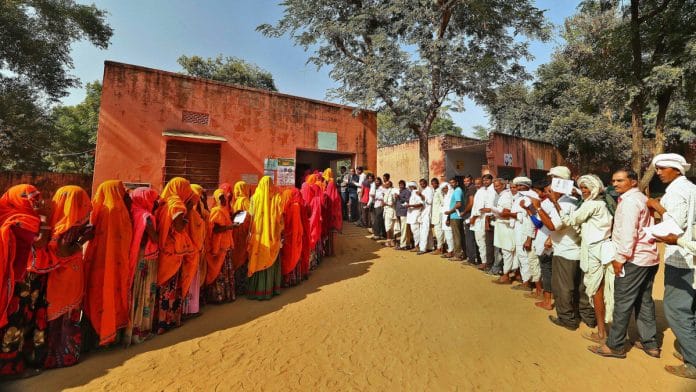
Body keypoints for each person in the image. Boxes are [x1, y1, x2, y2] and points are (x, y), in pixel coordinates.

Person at [588, 169, 659, 360]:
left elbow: (628, 234)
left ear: (633, 182)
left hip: (633, 259)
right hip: (648, 258)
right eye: (613, 181)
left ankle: (615, 345)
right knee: (644, 300)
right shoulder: (640, 198)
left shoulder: (629, 202)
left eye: (620, 180)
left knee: (623, 302)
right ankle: (650, 343)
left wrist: (620, 258)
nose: (615, 184)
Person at [646, 153, 696, 378]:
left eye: (662, 168)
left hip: (681, 257)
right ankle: (690, 351)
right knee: (690, 308)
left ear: (676, 169)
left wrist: (656, 207)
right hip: (689, 255)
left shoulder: (676, 191)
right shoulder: (690, 187)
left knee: (676, 309)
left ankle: (693, 363)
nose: (658, 172)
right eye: (657, 168)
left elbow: (674, 226)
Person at [0, 185, 52, 378]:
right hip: (15, 281)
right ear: (14, 198)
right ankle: (10, 370)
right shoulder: (19, 220)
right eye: (28, 198)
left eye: (36, 197)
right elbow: (40, 242)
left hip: (16, 278)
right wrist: (43, 216)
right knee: (12, 324)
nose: (35, 202)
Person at [537, 168, 596, 331]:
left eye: (552, 179)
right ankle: (587, 317)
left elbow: (553, 226)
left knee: (563, 287)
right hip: (578, 249)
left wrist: (538, 208)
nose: (550, 184)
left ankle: (567, 319)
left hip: (566, 251)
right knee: (580, 287)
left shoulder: (564, 203)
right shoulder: (575, 199)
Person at [44, 185, 94, 368]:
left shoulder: (54, 219)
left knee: (56, 318)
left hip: (56, 275)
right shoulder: (70, 225)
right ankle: (65, 356)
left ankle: (51, 357)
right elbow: (64, 250)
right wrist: (83, 240)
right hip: (67, 278)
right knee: (66, 317)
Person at [560, 175, 613, 342]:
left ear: (595, 188)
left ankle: (602, 333)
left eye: (586, 188)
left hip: (593, 251)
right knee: (603, 289)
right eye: (582, 188)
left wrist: (555, 203)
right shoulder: (604, 203)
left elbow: (570, 220)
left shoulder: (591, 205)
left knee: (596, 290)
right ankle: (605, 329)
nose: (583, 191)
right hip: (603, 250)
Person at [84, 180, 134, 346]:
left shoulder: (98, 206)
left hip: (97, 259)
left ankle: (98, 335)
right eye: (123, 191)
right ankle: (109, 335)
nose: (126, 194)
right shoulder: (117, 210)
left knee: (97, 295)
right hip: (114, 261)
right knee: (112, 294)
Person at [155, 177, 196, 334]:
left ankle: (161, 321)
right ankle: (166, 321)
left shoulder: (164, 202)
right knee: (171, 287)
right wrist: (189, 209)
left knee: (164, 286)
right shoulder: (176, 203)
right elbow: (179, 226)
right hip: (173, 252)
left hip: (165, 249)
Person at [124, 187, 159, 347]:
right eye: (152, 200)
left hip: (134, 256)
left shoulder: (131, 212)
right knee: (143, 292)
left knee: (134, 292)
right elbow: (155, 237)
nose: (155, 203)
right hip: (146, 258)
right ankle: (140, 329)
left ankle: (130, 330)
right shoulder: (147, 217)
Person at [247, 176, 283, 300]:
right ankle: (270, 290)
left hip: (258, 237)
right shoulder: (277, 198)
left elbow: (250, 216)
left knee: (257, 259)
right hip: (272, 236)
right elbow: (280, 219)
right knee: (270, 259)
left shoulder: (254, 198)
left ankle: (256, 290)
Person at [205, 189, 236, 304]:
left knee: (225, 270)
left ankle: (226, 295)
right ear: (216, 199)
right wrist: (229, 227)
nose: (223, 200)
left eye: (224, 198)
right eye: (221, 198)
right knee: (219, 271)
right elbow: (215, 229)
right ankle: (219, 296)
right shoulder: (216, 211)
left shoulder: (224, 210)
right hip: (219, 245)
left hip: (225, 244)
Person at [507, 177, 538, 290]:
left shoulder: (531, 197)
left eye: (521, 186)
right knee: (521, 255)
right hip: (519, 228)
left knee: (525, 256)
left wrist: (529, 237)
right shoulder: (520, 197)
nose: (519, 188)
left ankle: (527, 282)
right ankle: (526, 279)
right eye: (517, 186)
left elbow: (530, 216)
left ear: (527, 186)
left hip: (525, 230)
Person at [183, 184, 206, 317]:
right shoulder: (188, 212)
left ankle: (193, 308)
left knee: (194, 279)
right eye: (200, 194)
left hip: (196, 249)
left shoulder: (196, 210)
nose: (201, 197)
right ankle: (188, 309)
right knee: (189, 279)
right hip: (190, 250)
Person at [488, 179, 516, 283]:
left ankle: (506, 275)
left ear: (503, 185)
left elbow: (506, 212)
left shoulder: (506, 196)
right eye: (494, 186)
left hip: (505, 225)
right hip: (500, 224)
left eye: (498, 186)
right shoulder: (501, 196)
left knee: (507, 250)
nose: (496, 188)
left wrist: (495, 211)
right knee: (504, 250)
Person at [231, 181, 251, 295]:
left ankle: (237, 285)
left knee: (237, 257)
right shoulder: (244, 201)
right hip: (243, 234)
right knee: (243, 258)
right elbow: (250, 216)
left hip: (236, 233)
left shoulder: (236, 201)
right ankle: (242, 287)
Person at [472, 174, 495, 270]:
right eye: (483, 181)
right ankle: (485, 261)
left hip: (482, 219)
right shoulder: (483, 191)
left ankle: (485, 262)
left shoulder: (484, 192)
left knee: (482, 241)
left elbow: (481, 208)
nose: (485, 182)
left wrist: (473, 217)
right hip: (480, 218)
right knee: (482, 242)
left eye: (486, 180)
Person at [444, 177, 465, 261]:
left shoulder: (457, 191)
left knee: (456, 236)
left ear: (456, 183)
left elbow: (458, 204)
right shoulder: (457, 190)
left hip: (456, 216)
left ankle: (458, 255)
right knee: (458, 235)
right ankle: (460, 253)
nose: (451, 184)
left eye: (453, 182)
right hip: (455, 216)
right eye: (450, 183)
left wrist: (449, 212)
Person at [461, 175, 479, 265]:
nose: (466, 183)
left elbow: (471, 203)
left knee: (469, 238)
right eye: (464, 181)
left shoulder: (471, 189)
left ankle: (471, 259)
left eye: (467, 181)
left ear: (471, 180)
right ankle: (474, 258)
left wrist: (464, 212)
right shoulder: (470, 189)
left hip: (469, 215)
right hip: (471, 215)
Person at [416, 178, 435, 255]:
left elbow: (429, 201)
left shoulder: (429, 190)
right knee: (428, 231)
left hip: (427, 213)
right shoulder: (423, 190)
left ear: (426, 183)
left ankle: (422, 249)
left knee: (424, 231)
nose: (421, 185)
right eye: (420, 184)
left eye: (423, 184)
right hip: (423, 213)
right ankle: (430, 247)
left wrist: (421, 195)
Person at [405, 181, 423, 252]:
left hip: (415, 215)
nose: (409, 188)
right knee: (414, 231)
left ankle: (417, 246)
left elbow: (421, 204)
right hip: (411, 215)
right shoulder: (412, 193)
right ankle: (416, 245)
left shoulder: (416, 193)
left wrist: (410, 205)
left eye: (410, 187)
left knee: (416, 231)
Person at [394, 180, 411, 250]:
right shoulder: (400, 191)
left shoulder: (407, 192)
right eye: (400, 184)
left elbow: (407, 200)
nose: (400, 186)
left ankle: (403, 245)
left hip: (404, 212)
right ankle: (407, 244)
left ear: (404, 185)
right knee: (405, 229)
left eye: (402, 184)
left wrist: (399, 197)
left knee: (404, 229)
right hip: (399, 212)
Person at [432, 178, 446, 255]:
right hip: (435, 215)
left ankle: (439, 248)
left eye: (435, 183)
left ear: (437, 184)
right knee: (438, 232)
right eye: (432, 183)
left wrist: (441, 213)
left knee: (439, 232)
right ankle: (441, 247)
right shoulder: (434, 191)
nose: (433, 185)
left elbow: (443, 202)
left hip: (439, 215)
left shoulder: (439, 191)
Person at [382, 181, 398, 247]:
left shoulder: (393, 190)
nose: (384, 185)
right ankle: (392, 241)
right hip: (388, 210)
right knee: (391, 226)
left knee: (388, 226)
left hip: (390, 211)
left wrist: (384, 204)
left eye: (386, 184)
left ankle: (389, 241)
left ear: (389, 184)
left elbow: (391, 203)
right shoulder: (387, 191)